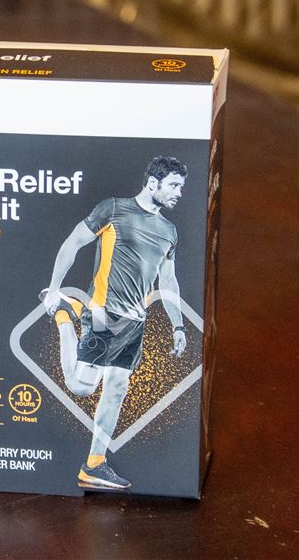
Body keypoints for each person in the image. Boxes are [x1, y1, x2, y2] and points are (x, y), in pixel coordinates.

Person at [42, 156, 188, 490]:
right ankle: (65, 316)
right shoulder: (114, 209)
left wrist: (178, 325)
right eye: (173, 185)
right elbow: (73, 242)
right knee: (82, 387)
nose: (179, 192)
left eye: (181, 187)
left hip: (135, 321)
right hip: (104, 312)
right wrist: (53, 289)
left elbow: (168, 280)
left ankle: (94, 464)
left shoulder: (169, 231)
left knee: (117, 388)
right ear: (152, 183)